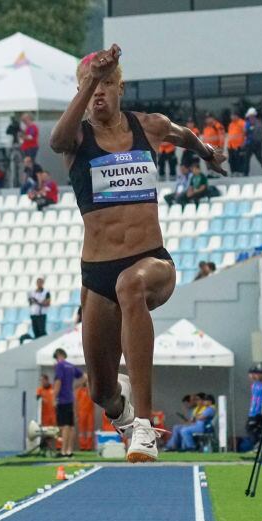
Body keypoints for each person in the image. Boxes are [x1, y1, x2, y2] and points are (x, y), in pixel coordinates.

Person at [50, 44, 227, 462]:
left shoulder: (148, 126)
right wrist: (93, 74)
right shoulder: (76, 136)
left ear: (120, 88)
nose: (98, 94)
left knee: (131, 284)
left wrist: (208, 154)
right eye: (89, 86)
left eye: (107, 85)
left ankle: (144, 427)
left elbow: (182, 135)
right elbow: (56, 140)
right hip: (97, 273)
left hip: (152, 261)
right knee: (101, 391)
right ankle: (124, 407)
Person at [52, 348, 84, 457]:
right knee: (71, 426)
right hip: (71, 398)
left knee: (64, 426)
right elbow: (84, 377)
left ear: (58, 355)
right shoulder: (71, 366)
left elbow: (58, 382)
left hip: (62, 399)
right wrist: (75, 387)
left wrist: (54, 397)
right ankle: (69, 450)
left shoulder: (60, 365)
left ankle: (63, 451)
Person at [242, 108, 262, 176]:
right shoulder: (250, 124)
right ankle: (246, 173)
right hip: (250, 144)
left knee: (258, 158)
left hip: (256, 144)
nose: (250, 117)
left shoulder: (257, 124)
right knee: (247, 159)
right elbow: (245, 133)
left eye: (251, 116)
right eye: (250, 116)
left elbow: (246, 133)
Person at [246, 367, 262, 446]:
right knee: (249, 429)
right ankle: (256, 445)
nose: (254, 376)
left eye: (257, 374)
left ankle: (259, 445)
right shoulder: (254, 385)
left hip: (258, 411)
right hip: (252, 411)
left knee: (255, 429)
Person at [226, 111, 246, 176]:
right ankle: (233, 172)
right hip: (231, 145)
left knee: (239, 160)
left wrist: (244, 143)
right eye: (231, 116)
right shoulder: (231, 124)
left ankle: (240, 172)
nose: (232, 117)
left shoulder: (242, 123)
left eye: (233, 116)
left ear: (237, 116)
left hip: (239, 145)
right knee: (231, 160)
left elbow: (246, 134)